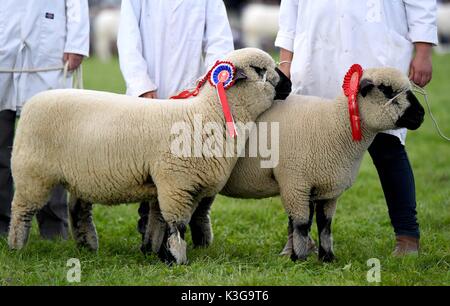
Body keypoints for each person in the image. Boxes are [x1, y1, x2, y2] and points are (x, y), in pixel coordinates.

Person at [275, 0, 438, 256]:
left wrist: (423, 51)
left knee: (388, 147)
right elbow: (290, 7)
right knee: (307, 158)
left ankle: (407, 237)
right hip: (318, 54)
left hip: (375, 49)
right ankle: (299, 237)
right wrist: (286, 61)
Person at [117, 0, 234, 237]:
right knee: (150, 167)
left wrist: (210, 83)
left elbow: (219, 40)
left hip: (193, 95)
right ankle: (149, 226)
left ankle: (197, 216)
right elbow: (128, 38)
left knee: (195, 162)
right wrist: (141, 84)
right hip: (150, 96)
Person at [0, 0, 90, 238]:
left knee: (50, 148)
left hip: (48, 49)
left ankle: (54, 227)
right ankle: (2, 224)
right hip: (4, 46)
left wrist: (77, 43)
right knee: (0, 141)